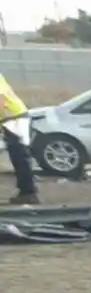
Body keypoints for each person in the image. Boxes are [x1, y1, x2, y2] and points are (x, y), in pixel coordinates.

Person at [0, 71, 37, 205]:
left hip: (15, 119)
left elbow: (1, 98)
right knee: (18, 157)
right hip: (12, 118)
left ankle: (28, 193)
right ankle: (26, 191)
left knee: (20, 156)